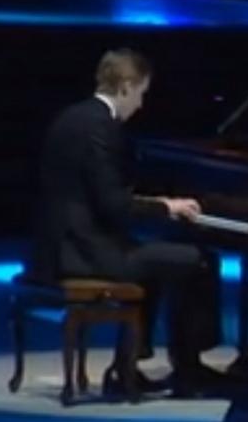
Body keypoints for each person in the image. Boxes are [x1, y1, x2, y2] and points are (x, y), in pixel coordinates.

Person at [24, 48, 225, 397]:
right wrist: (166, 206)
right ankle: (188, 367)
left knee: (156, 260)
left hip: (57, 247)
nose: (141, 105)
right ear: (126, 87)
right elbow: (113, 204)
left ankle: (127, 364)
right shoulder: (102, 127)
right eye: (141, 94)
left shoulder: (70, 116)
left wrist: (153, 205)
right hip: (85, 254)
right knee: (199, 260)